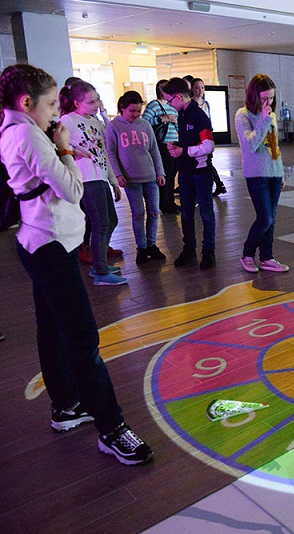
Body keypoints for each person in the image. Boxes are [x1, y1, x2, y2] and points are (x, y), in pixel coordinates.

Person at [0, 63, 153, 465]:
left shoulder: (19, 130)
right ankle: (112, 428)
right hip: (49, 246)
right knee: (83, 338)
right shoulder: (26, 135)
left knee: (52, 330)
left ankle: (66, 406)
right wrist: (65, 148)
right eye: (51, 104)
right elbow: (71, 189)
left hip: (44, 242)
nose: (56, 111)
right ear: (27, 103)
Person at [59, 80, 127, 286]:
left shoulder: (95, 122)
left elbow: (104, 152)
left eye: (97, 100)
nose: (96, 105)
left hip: (100, 177)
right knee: (101, 223)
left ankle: (100, 264)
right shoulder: (68, 120)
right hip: (86, 178)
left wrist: (113, 181)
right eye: (91, 102)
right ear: (76, 102)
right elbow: (55, 145)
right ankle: (100, 270)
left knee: (111, 220)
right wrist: (73, 151)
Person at [235, 74, 290, 274]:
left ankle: (267, 257)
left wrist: (280, 171)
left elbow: (274, 146)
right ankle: (247, 254)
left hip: (274, 173)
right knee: (264, 218)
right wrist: (264, 120)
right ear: (254, 95)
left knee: (271, 218)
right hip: (256, 174)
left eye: (271, 98)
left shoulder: (271, 115)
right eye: (264, 98)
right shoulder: (243, 115)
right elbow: (250, 145)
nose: (268, 102)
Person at [105, 90, 167, 265]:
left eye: (138, 111)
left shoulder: (145, 125)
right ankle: (142, 247)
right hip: (131, 179)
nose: (136, 114)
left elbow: (154, 150)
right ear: (122, 108)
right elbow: (111, 152)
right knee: (138, 214)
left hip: (150, 176)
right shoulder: (114, 126)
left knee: (154, 212)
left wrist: (160, 172)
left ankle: (152, 244)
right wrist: (118, 175)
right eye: (132, 111)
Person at [162, 77, 217, 269]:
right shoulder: (182, 115)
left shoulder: (199, 116)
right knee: (186, 213)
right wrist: (177, 146)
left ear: (178, 97)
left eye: (169, 100)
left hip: (201, 173)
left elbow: (208, 146)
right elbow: (191, 142)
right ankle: (189, 248)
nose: (169, 105)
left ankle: (208, 251)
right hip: (185, 172)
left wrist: (183, 151)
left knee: (206, 213)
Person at [142, 79, 181, 214]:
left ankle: (170, 201)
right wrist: (161, 119)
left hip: (174, 143)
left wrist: (175, 122)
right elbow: (144, 121)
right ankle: (164, 203)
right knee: (165, 174)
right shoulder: (154, 105)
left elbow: (177, 126)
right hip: (162, 144)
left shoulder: (172, 106)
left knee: (172, 173)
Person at [191, 78, 226, 196]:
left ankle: (217, 184)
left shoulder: (206, 104)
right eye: (197, 88)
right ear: (192, 89)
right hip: (196, 136)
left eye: (202, 88)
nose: (200, 90)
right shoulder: (191, 104)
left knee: (208, 161)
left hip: (206, 135)